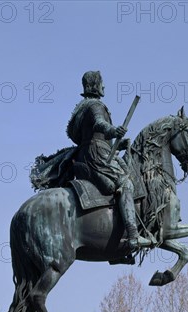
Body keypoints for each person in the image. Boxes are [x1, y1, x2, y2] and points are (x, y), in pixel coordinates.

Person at [67, 70, 151, 251]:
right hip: (96, 156)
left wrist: (119, 145)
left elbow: (95, 135)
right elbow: (99, 124)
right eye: (102, 83)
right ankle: (132, 234)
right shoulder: (95, 106)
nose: (104, 86)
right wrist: (114, 131)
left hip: (92, 152)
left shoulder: (83, 107)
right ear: (95, 85)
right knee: (126, 183)